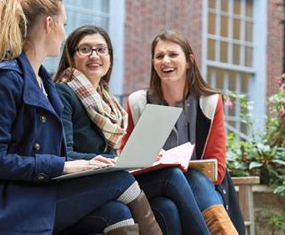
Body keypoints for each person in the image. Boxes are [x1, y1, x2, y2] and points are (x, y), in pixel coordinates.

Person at [0, 0, 160, 234]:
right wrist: (62, 166)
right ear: (48, 24)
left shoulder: (43, 81)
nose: (65, 34)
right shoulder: (2, 79)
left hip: (33, 193)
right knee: (120, 180)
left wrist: (83, 165)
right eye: (64, 24)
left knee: (116, 213)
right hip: (2, 206)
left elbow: (47, 154)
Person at [53, 25, 209, 235]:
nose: (94, 55)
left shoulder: (105, 100)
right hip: (85, 184)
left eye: (101, 49)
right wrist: (110, 162)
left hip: (111, 176)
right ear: (71, 57)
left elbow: (113, 154)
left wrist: (145, 157)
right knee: (170, 176)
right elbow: (65, 154)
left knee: (166, 207)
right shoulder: (63, 93)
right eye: (85, 49)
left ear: (109, 57)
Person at [122, 30, 246, 234]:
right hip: (156, 187)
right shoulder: (139, 103)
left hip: (201, 186)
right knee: (169, 202)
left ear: (189, 61)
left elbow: (218, 168)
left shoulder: (209, 102)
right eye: (159, 56)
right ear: (153, 62)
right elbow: (129, 164)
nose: (165, 61)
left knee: (195, 180)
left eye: (173, 54)